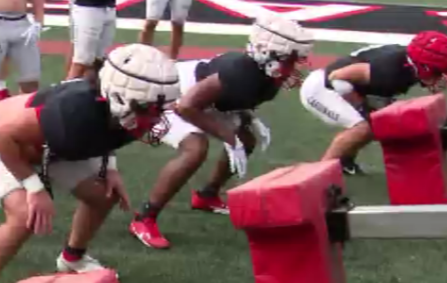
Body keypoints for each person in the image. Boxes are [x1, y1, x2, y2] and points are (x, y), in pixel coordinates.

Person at [0, 44, 180, 283]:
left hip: (47, 146)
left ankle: (73, 257)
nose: (155, 118)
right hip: (1, 139)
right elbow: (4, 136)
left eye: (158, 108)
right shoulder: (72, 113)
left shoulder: (121, 110)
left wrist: (110, 169)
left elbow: (106, 134)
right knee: (25, 215)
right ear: (117, 96)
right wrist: (34, 186)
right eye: (148, 108)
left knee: (103, 195)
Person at [130, 13, 313, 250]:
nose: (294, 67)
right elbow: (185, 106)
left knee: (246, 139)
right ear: (269, 56)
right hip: (168, 95)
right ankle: (144, 217)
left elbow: (232, 101)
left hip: (201, 101)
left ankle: (207, 195)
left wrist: (246, 121)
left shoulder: (266, 78)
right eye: (290, 60)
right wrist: (228, 137)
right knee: (195, 148)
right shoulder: (239, 72)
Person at [306, 32, 447, 176]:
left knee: (375, 123)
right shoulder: (388, 71)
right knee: (363, 128)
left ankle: (344, 160)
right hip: (323, 88)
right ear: (424, 66)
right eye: (438, 72)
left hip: (348, 86)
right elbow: (337, 78)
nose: (441, 76)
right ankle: (321, 175)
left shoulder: (408, 64)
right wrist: (360, 106)